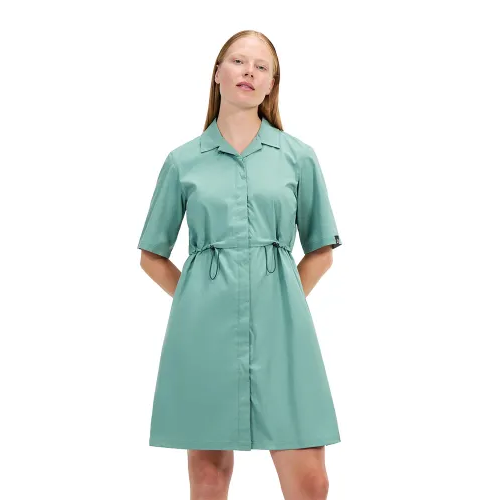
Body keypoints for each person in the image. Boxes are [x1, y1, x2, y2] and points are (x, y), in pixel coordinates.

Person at [138, 29, 343, 500]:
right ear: (217, 73)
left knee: (311, 481)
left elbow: (321, 250)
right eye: (237, 61)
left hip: (284, 330)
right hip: (203, 332)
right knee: (209, 479)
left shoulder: (298, 157)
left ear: (271, 85)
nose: (249, 71)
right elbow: (152, 255)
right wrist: (198, 301)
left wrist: (281, 301)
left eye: (261, 66)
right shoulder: (182, 161)